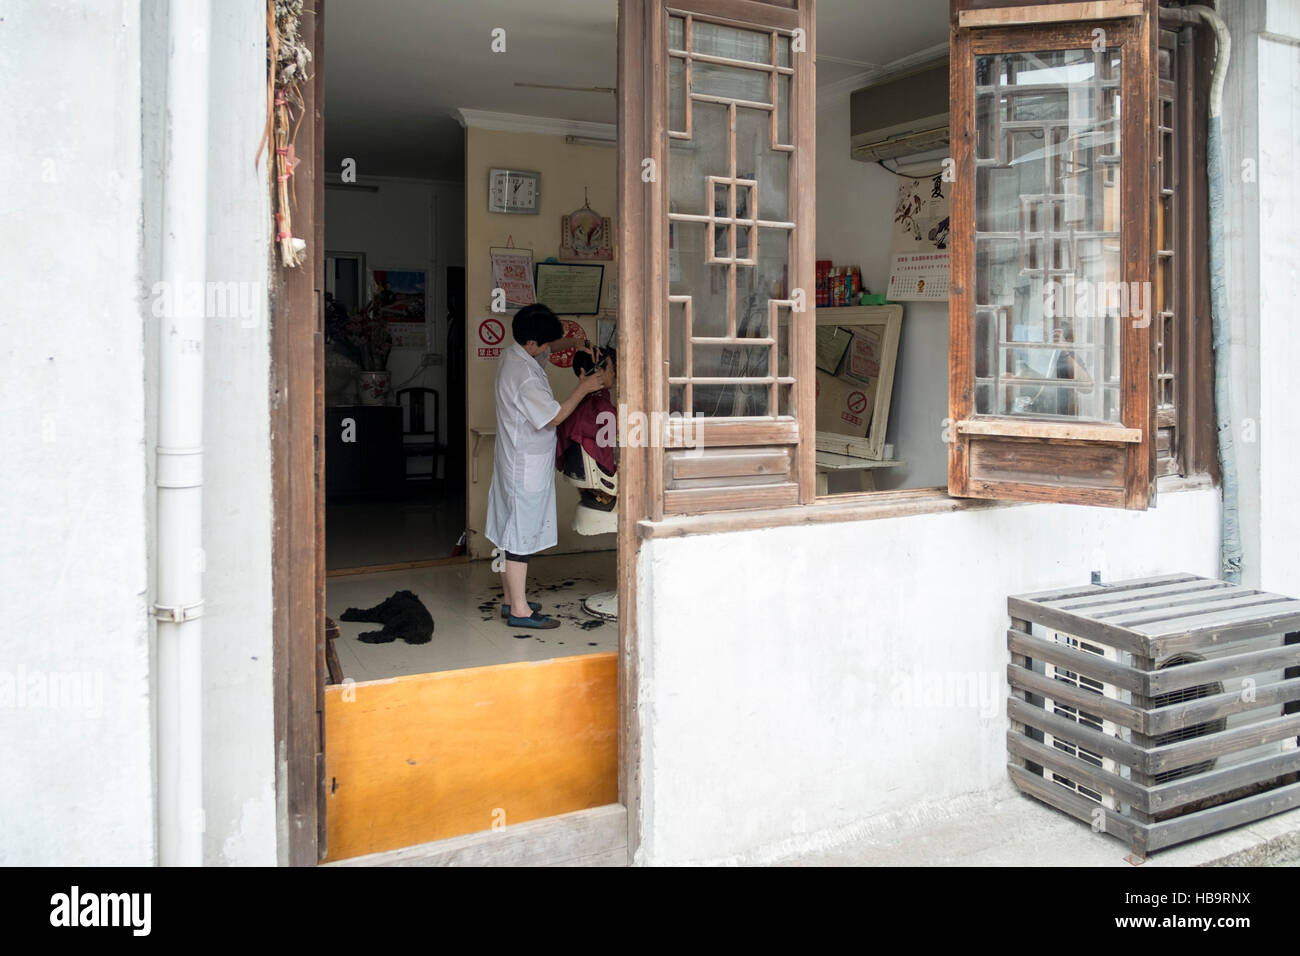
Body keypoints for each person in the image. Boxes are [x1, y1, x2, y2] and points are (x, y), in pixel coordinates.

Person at [485, 304, 605, 628]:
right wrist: (585, 387)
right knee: (518, 536)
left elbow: (548, 348)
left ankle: (512, 600)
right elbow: (554, 416)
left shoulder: (513, 355)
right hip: (523, 464)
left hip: (515, 458)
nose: (551, 348)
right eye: (548, 343)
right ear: (533, 344)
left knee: (510, 529)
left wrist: (573, 345)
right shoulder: (525, 377)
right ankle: (520, 611)